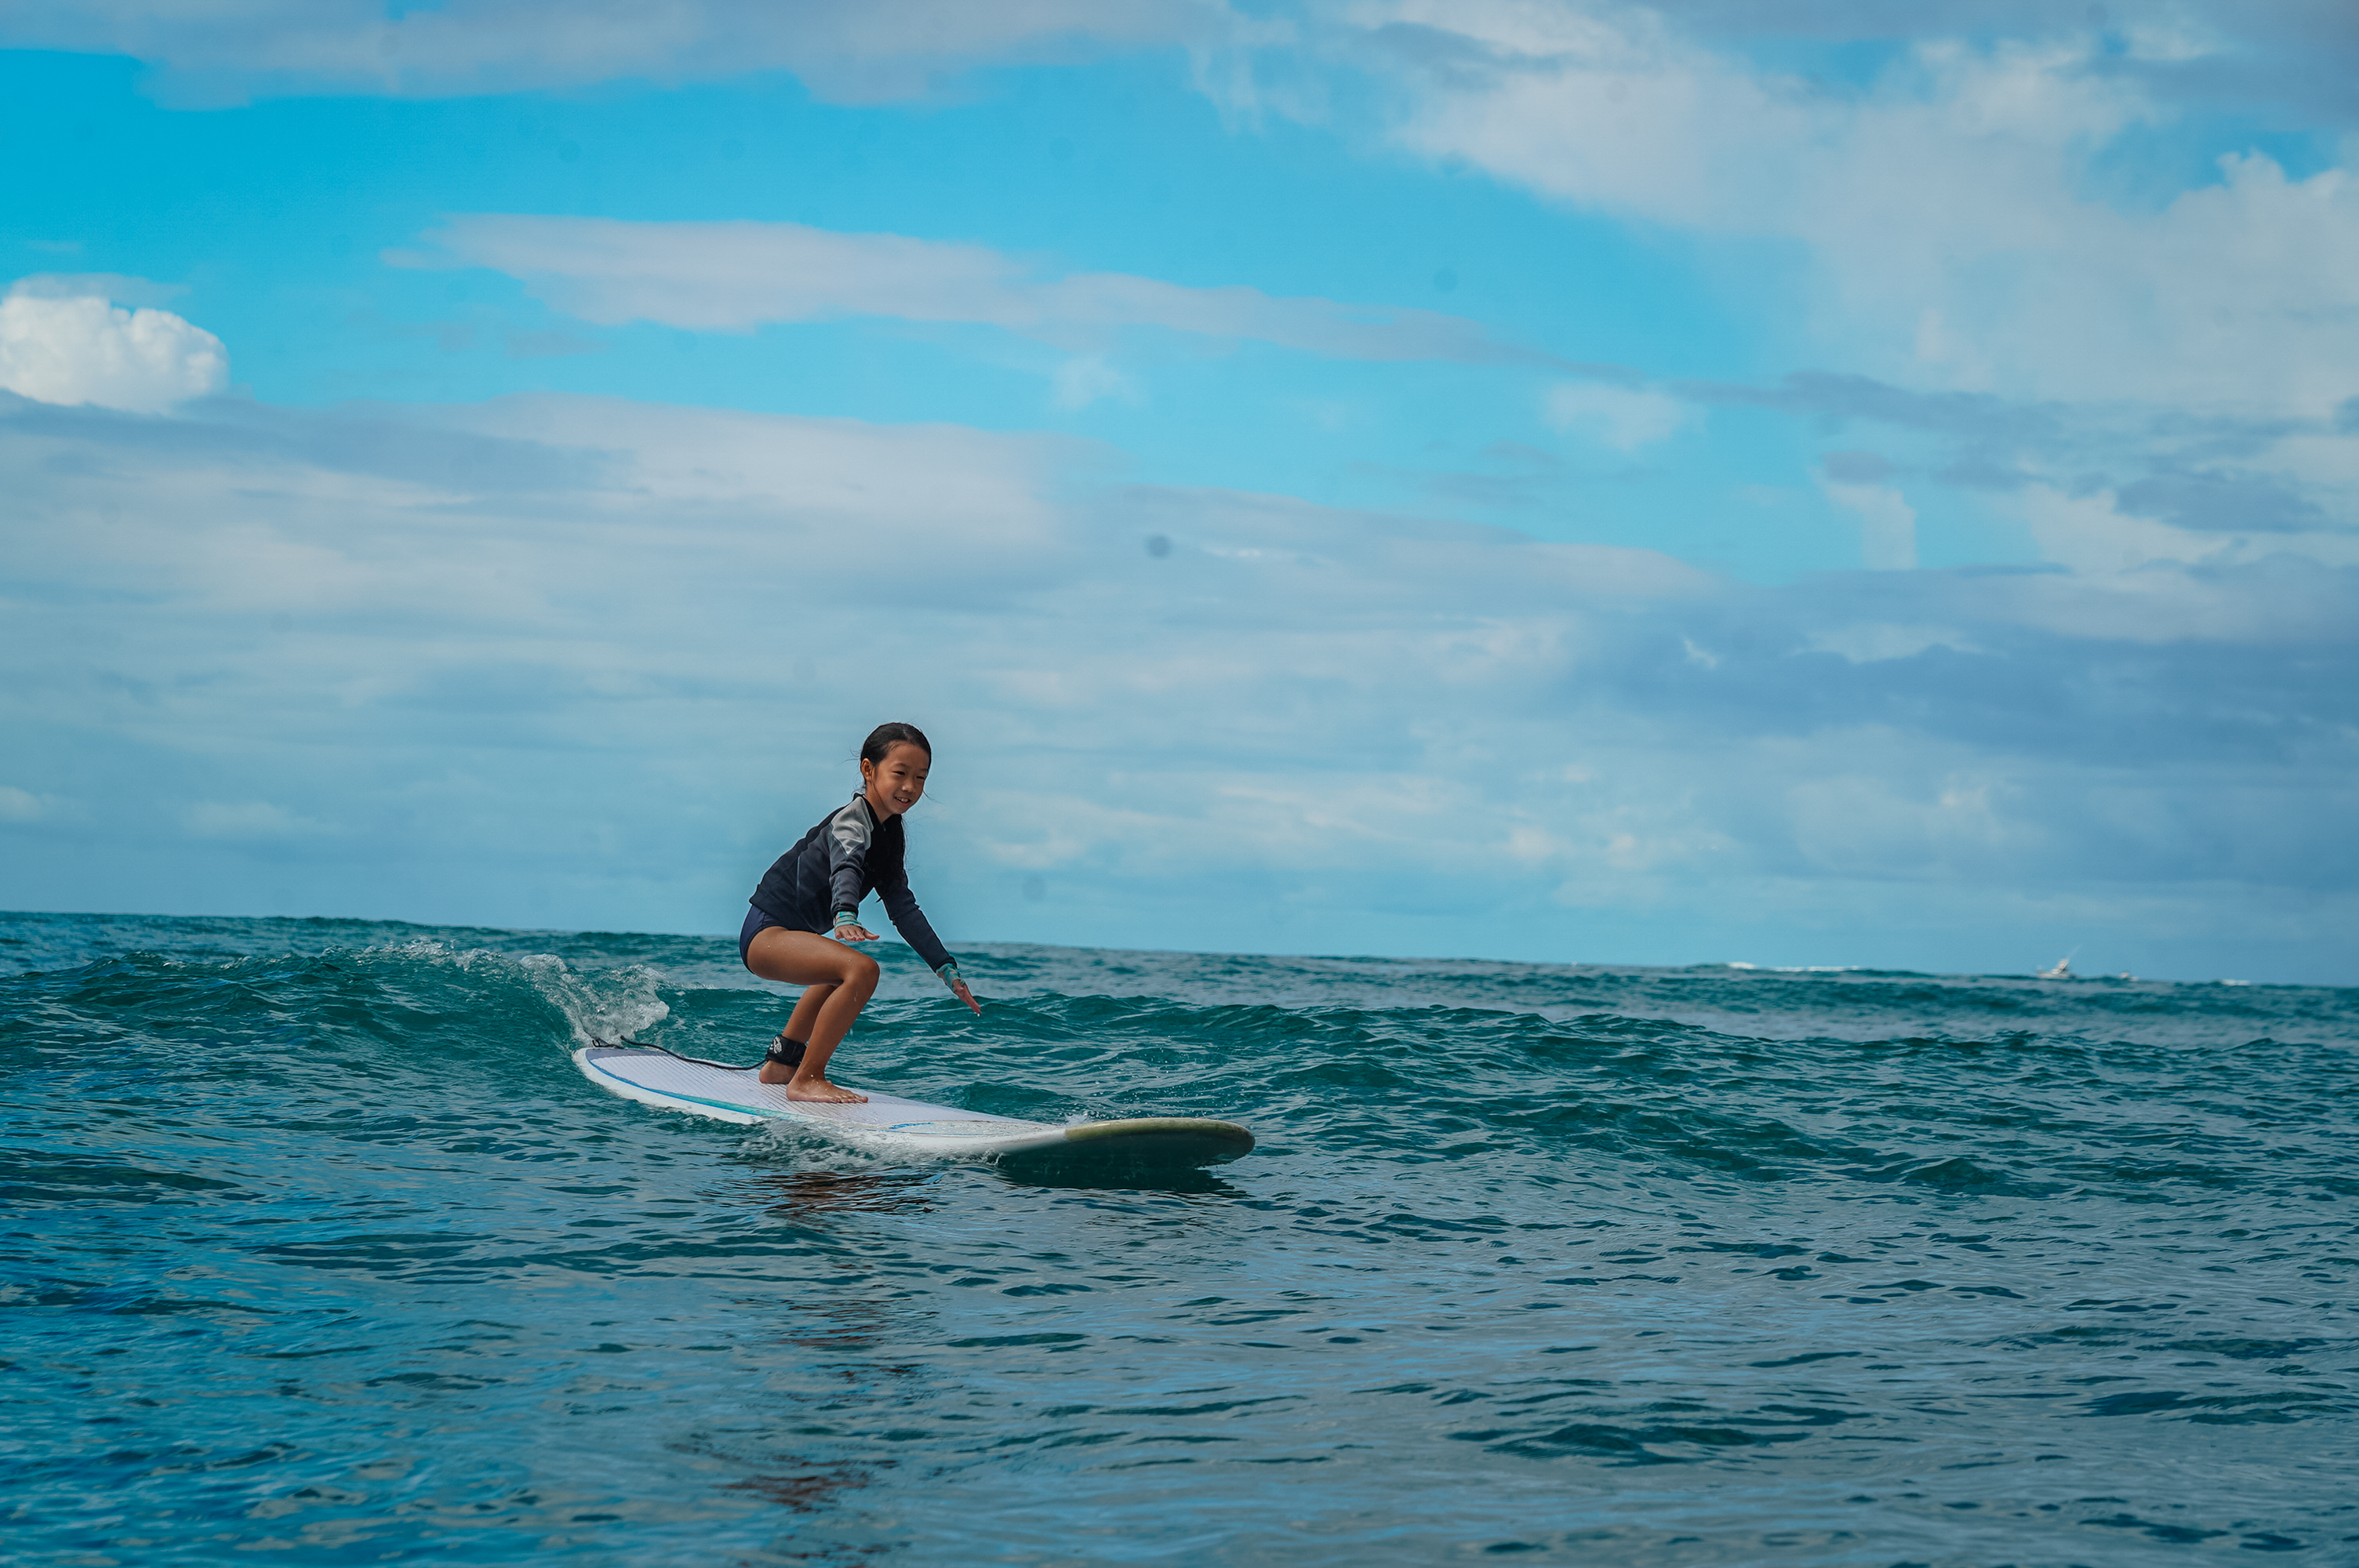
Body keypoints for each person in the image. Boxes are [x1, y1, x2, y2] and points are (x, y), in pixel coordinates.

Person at [739, 722, 980, 1103]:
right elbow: (846, 866)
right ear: (869, 769)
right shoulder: (852, 821)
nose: (910, 787)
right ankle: (807, 1079)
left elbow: (902, 906)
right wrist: (845, 914)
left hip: (784, 935)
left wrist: (944, 967)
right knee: (862, 970)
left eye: (920, 778)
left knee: (839, 976)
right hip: (766, 933)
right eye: (900, 773)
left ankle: (782, 1065)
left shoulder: (890, 833)